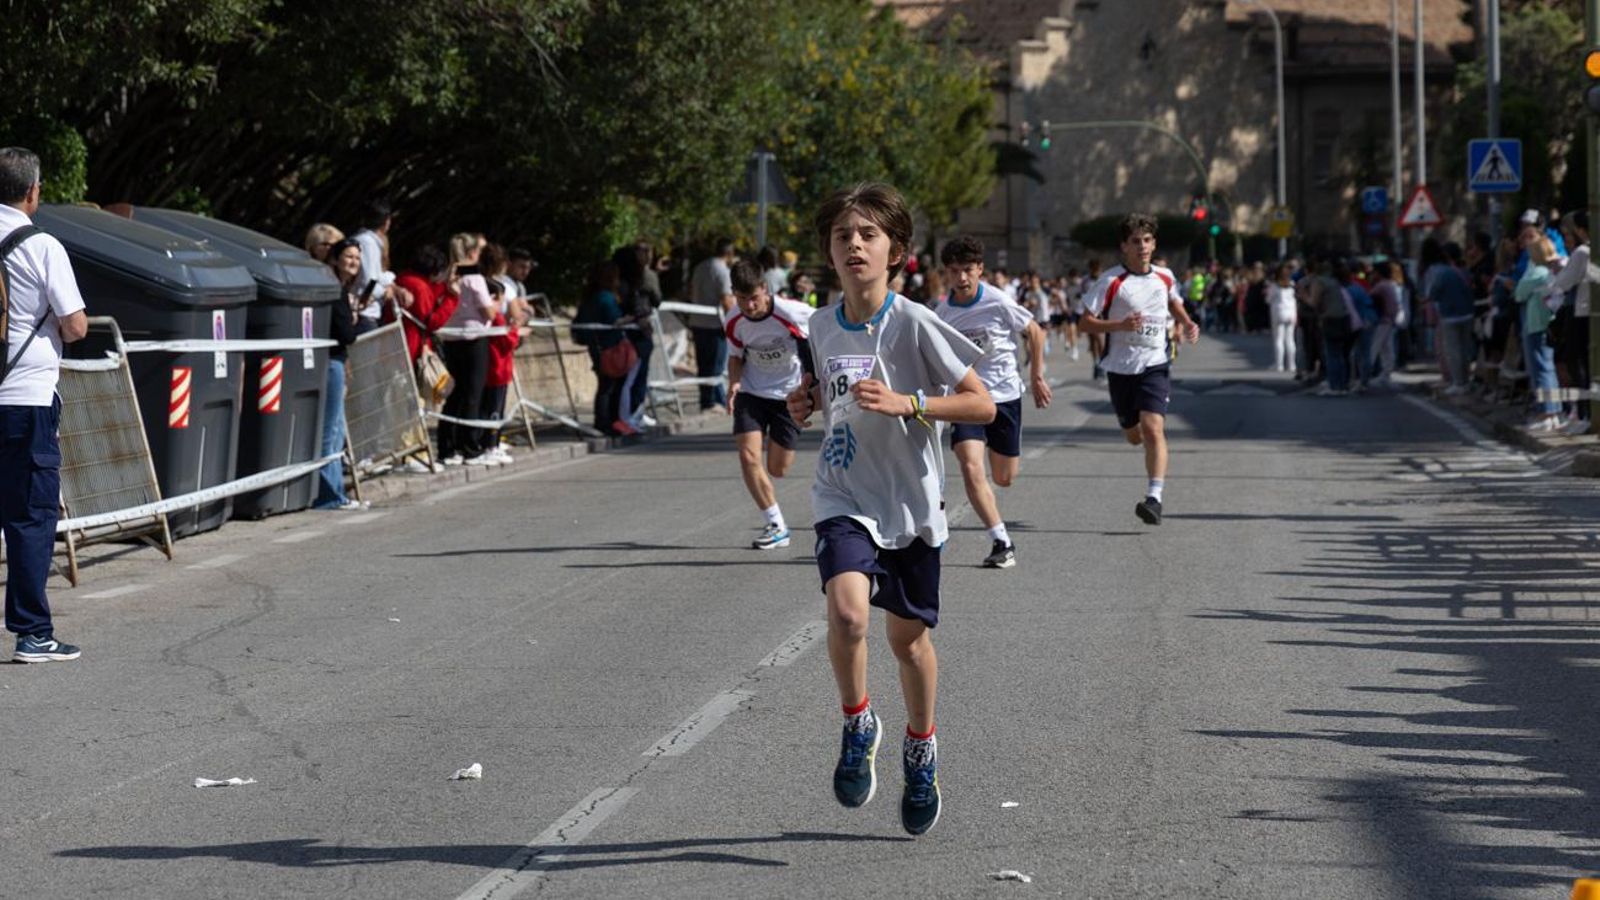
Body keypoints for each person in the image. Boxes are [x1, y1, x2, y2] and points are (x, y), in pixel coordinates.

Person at [786, 182, 993, 837]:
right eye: (843, 235)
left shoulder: (914, 322)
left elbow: (982, 404)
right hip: (843, 493)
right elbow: (831, 393)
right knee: (848, 615)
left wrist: (912, 403)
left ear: (895, 250)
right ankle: (858, 722)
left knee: (908, 642)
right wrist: (806, 401)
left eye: (868, 234)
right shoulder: (819, 324)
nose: (854, 245)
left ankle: (921, 747)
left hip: (910, 505)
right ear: (829, 249)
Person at [0, 147, 88, 662]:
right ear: (33, 192)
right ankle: (32, 633)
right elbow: (75, 325)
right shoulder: (42, 245)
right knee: (30, 517)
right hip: (25, 400)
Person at [934, 236, 1051, 568]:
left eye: (967, 270)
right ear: (946, 273)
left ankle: (995, 511)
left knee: (1003, 477)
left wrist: (1037, 376)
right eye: (954, 271)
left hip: (1005, 396)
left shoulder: (998, 301)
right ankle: (1001, 540)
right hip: (968, 400)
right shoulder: (942, 314)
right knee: (971, 466)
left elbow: (1036, 332)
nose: (961, 278)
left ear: (980, 269)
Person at [1079, 213, 1200, 525]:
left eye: (1147, 240)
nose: (1142, 247)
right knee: (1134, 435)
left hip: (1155, 363)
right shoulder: (1111, 281)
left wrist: (1187, 322)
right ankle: (1143, 445)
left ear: (1154, 244)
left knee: (1153, 427)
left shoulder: (1165, 276)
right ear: (1124, 246)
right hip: (1120, 368)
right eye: (1135, 241)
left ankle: (1154, 498)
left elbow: (1173, 301)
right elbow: (1084, 323)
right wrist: (1118, 325)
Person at [724, 258, 815, 549]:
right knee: (748, 456)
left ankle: (771, 503)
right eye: (742, 299)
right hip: (751, 392)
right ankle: (776, 524)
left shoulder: (793, 312)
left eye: (753, 298)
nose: (749, 306)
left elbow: (826, 330)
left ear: (765, 288)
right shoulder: (733, 319)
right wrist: (734, 383)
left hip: (788, 396)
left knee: (778, 469)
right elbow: (735, 355)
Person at [315, 238, 370, 509]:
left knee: (336, 431)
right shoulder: (335, 291)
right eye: (348, 256)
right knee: (331, 431)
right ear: (335, 259)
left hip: (337, 361)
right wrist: (354, 321)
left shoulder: (340, 289)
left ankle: (336, 493)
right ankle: (330, 496)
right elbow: (346, 333)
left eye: (357, 258)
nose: (353, 262)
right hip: (331, 362)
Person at [437, 233, 500, 464]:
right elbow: (489, 312)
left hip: (451, 338)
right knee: (473, 394)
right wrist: (498, 301)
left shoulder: (447, 276)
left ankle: (447, 447)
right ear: (473, 253)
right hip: (473, 339)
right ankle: (470, 447)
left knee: (455, 395)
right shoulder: (474, 278)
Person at [577, 260, 635, 435]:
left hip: (596, 345)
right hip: (609, 346)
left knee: (605, 384)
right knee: (609, 386)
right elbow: (614, 320)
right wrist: (631, 318)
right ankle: (606, 422)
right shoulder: (606, 297)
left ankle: (604, 421)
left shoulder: (589, 297)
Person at [1516, 236, 1562, 432]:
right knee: (1548, 368)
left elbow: (1519, 293)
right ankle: (1554, 413)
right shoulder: (1552, 271)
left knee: (1540, 369)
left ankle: (1546, 413)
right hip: (1549, 323)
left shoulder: (1537, 273)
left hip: (1536, 324)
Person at [689, 239, 737, 410]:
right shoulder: (722, 271)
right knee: (716, 365)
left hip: (697, 322)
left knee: (703, 365)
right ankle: (715, 401)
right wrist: (734, 322)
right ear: (729, 253)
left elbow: (691, 291)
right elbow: (726, 299)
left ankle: (706, 400)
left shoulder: (700, 267)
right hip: (715, 325)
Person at [1267, 262, 1297, 372]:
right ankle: (1292, 364)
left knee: (1279, 339)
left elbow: (1268, 299)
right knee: (1290, 339)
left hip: (1278, 312)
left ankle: (1279, 365)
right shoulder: (1292, 284)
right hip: (1291, 313)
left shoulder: (1274, 286)